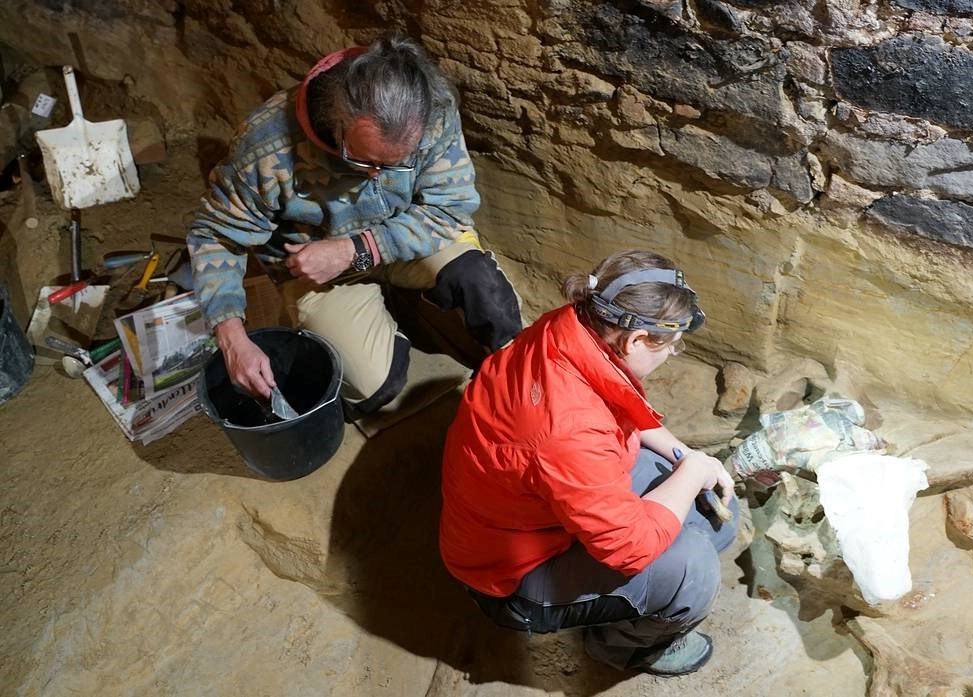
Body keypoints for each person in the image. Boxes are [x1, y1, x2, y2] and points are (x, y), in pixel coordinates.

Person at [187, 32, 522, 419]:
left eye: (399, 163)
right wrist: (232, 339)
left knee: (480, 286)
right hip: (320, 273)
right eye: (363, 162)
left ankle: (414, 306)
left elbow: (450, 210)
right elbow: (215, 236)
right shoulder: (264, 147)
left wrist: (356, 249)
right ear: (334, 120)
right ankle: (392, 318)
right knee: (369, 389)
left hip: (405, 239)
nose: (378, 175)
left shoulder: (432, 110)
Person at [439, 250, 739, 676]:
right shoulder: (568, 428)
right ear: (636, 341)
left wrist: (686, 457)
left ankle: (631, 601)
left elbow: (622, 403)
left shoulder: (570, 329)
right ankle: (621, 648)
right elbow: (629, 548)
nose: (673, 353)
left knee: (717, 514)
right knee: (694, 569)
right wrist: (690, 474)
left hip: (537, 499)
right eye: (671, 345)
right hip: (507, 574)